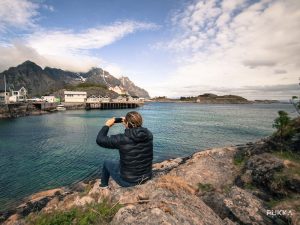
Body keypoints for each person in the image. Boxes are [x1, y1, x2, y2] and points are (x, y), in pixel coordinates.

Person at [96, 111, 153, 188]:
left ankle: (103, 186)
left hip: (128, 182)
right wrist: (127, 122)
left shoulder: (122, 139)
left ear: (126, 123)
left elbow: (100, 140)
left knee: (107, 162)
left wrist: (107, 125)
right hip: (147, 177)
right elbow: (135, 132)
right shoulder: (149, 135)